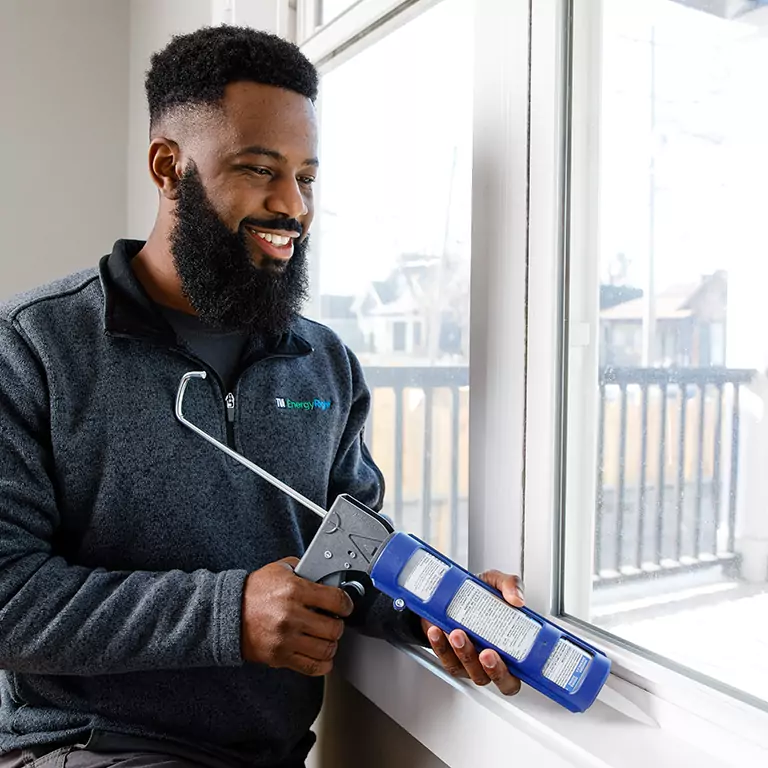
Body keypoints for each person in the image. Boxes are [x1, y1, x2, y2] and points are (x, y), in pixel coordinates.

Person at [0, 26, 524, 768]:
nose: (293, 206)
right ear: (167, 165)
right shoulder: (32, 347)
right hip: (86, 747)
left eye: (307, 178)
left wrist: (438, 610)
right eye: (259, 170)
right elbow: (8, 596)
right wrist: (229, 613)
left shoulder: (324, 365)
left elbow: (354, 553)